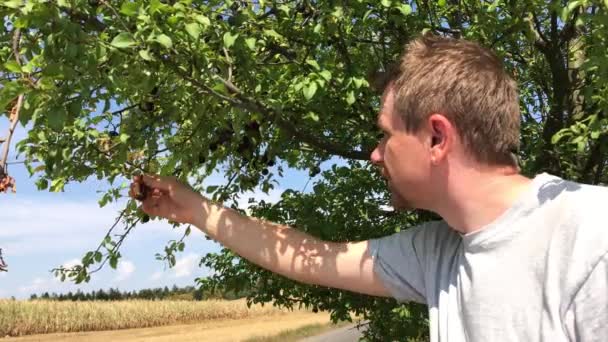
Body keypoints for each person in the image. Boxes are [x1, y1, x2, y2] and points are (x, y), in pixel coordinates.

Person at [129, 35, 607, 341]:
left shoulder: (591, 238)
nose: (377, 154)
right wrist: (193, 209)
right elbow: (312, 258)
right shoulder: (439, 252)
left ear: (436, 137)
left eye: (386, 134)